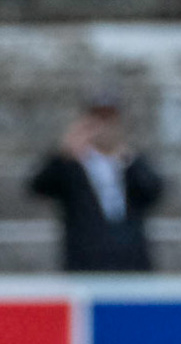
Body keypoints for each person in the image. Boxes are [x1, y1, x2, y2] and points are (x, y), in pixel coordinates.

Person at [28, 92, 164, 272]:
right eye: (98, 119)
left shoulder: (131, 162)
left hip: (132, 267)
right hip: (86, 267)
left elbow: (153, 191)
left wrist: (128, 159)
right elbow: (38, 187)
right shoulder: (71, 165)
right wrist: (63, 154)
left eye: (110, 119)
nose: (104, 126)